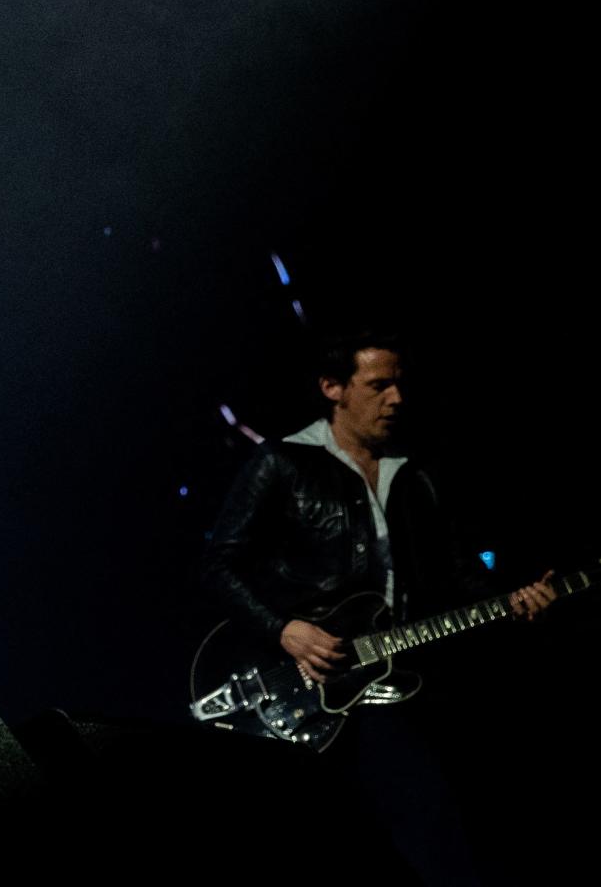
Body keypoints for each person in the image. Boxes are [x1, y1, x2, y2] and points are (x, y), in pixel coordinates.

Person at [202, 333, 556, 884]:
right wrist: (284, 630)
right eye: (378, 385)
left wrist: (511, 602)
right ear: (333, 388)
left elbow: (457, 570)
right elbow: (218, 565)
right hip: (307, 684)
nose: (396, 399)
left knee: (436, 830)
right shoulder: (283, 462)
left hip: (400, 681)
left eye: (400, 384)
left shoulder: (417, 473)